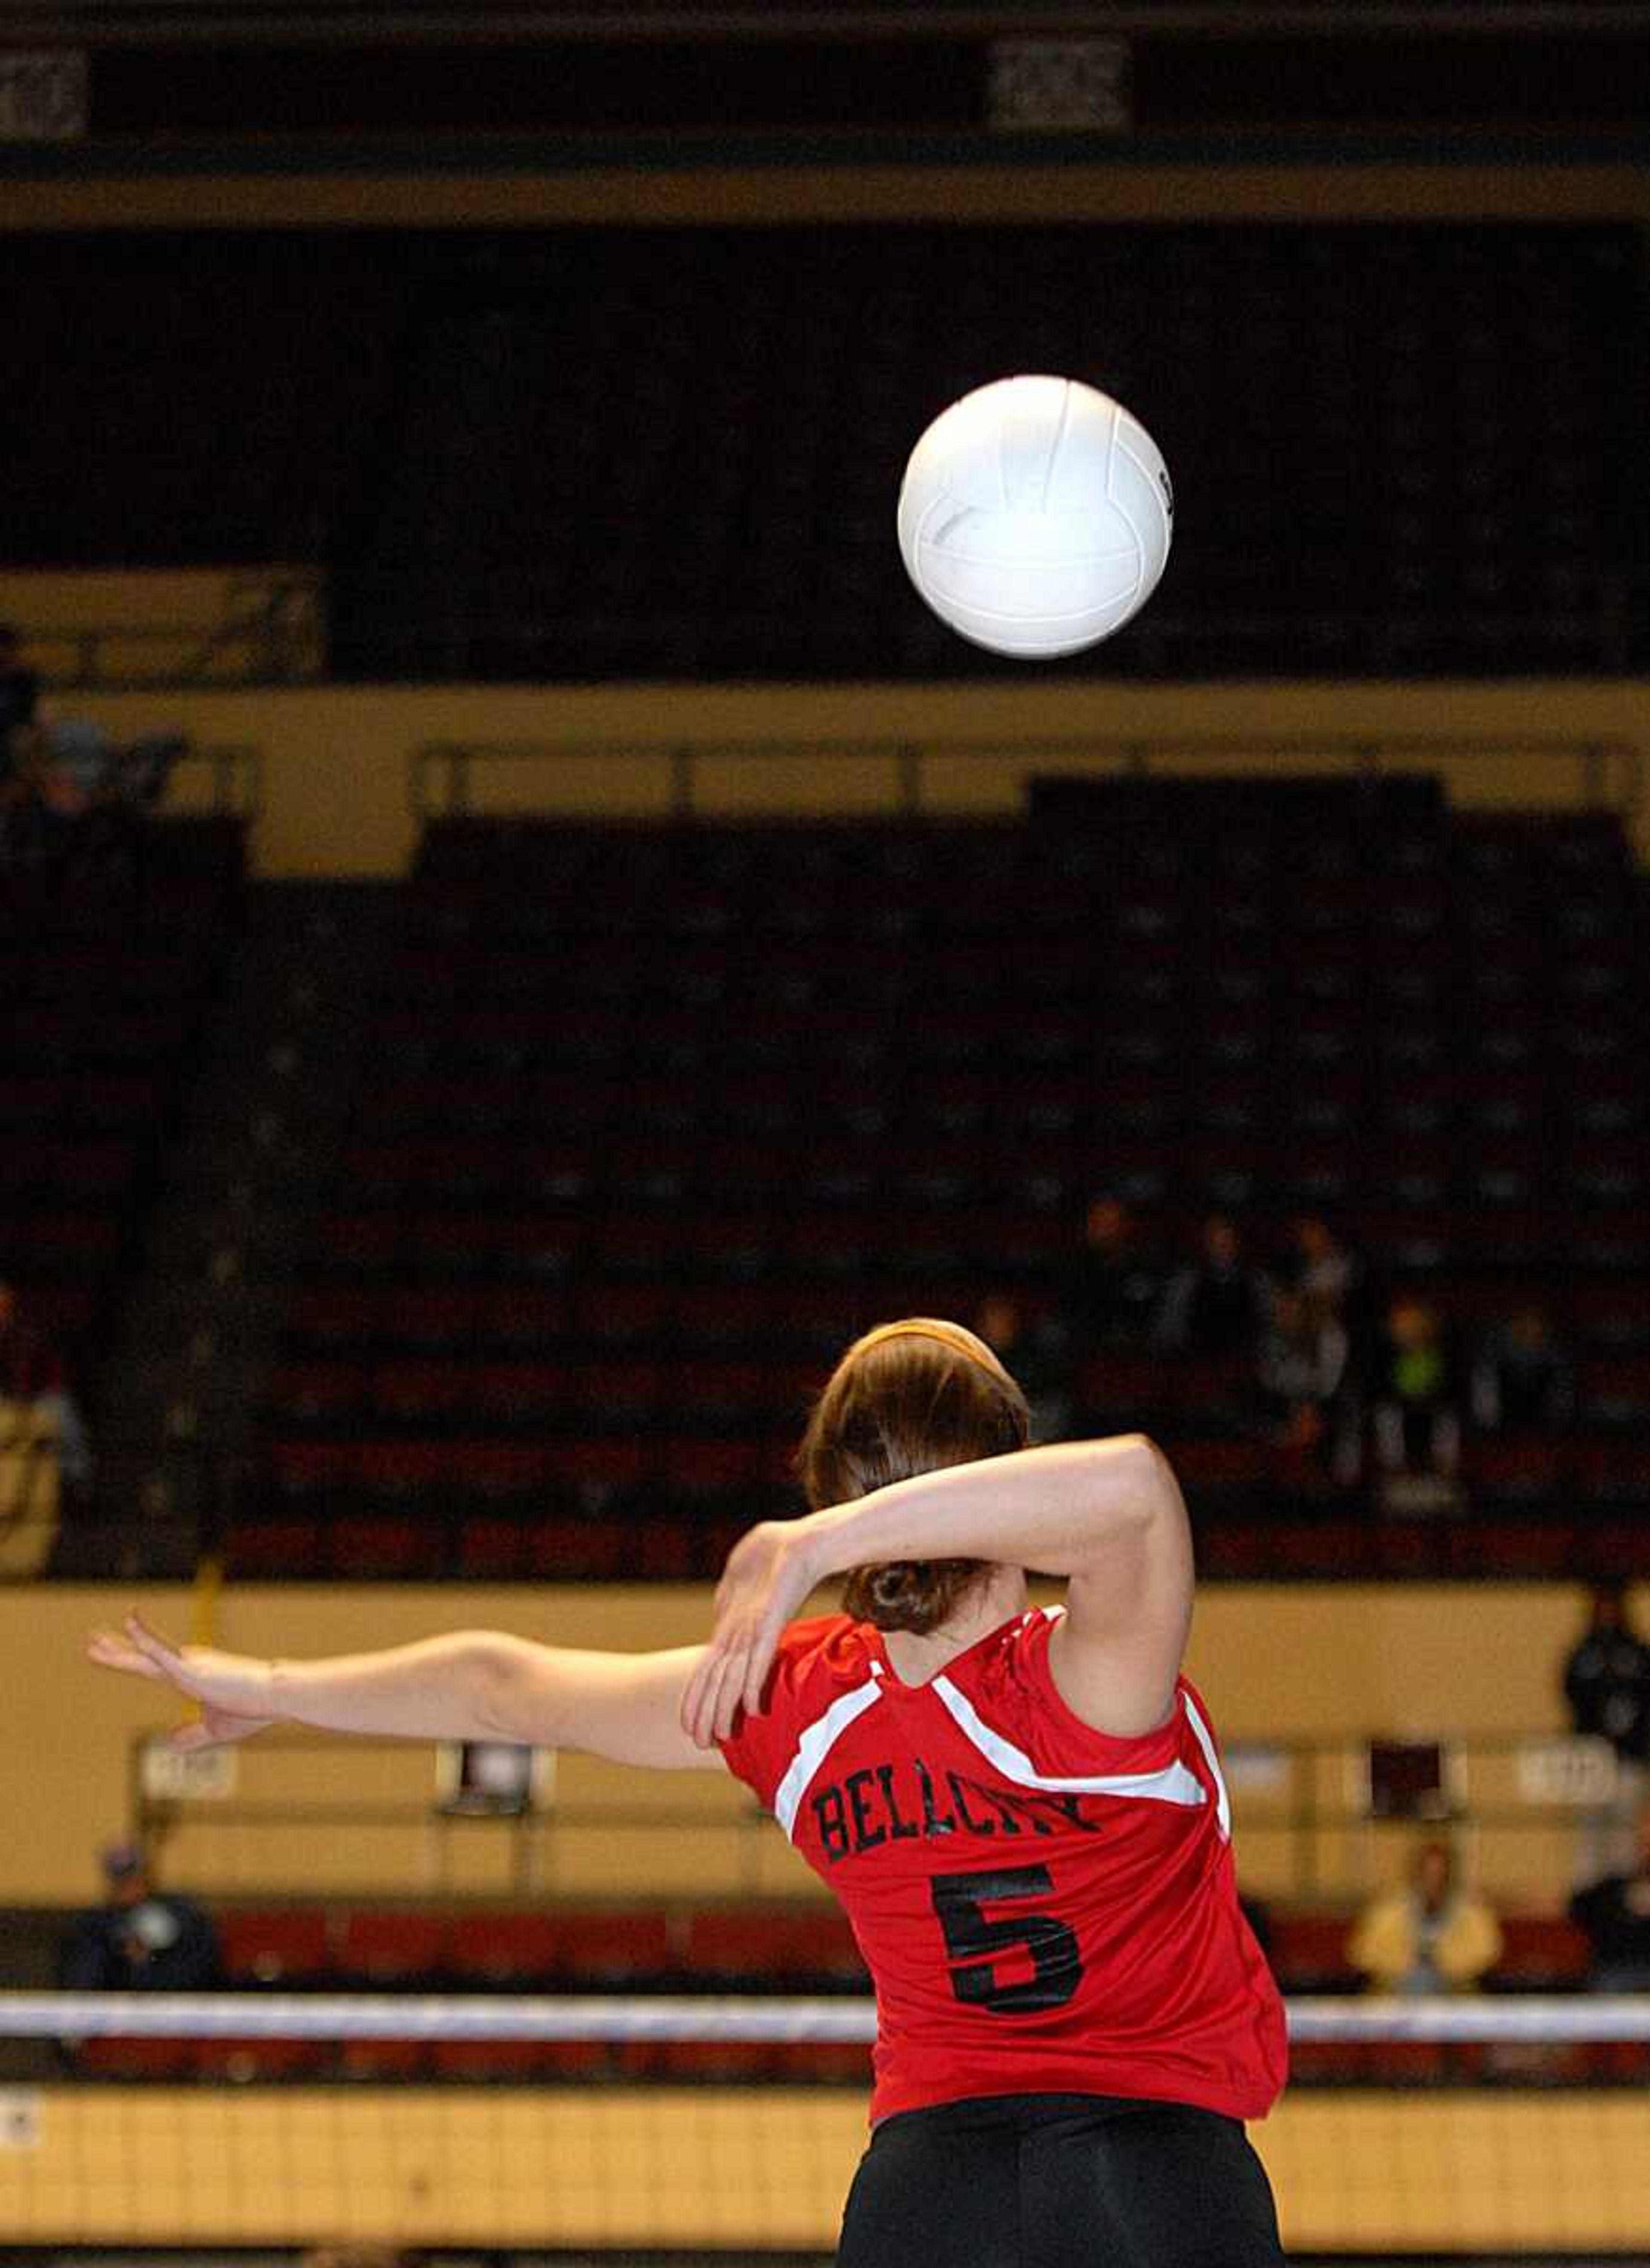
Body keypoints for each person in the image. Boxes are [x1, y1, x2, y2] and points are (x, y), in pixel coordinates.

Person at [89, 1317, 1289, 2268]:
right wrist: (813, 1548)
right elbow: (1134, 1485)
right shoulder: (1088, 1682)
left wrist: (273, 1683)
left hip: (932, 2189)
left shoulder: (795, 1704)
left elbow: (504, 1686)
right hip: (1150, 2164)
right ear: (1011, 1474)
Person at [1562, 1585, 1650, 1887]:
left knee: (1624, 1832)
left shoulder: (1637, 1651)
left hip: (1630, 1756)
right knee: (1591, 1830)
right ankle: (1588, 1893)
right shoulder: (1584, 1652)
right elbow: (1571, 1694)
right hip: (1592, 1758)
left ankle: (1621, 1891)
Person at [58, 1841, 222, 1993]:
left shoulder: (183, 1915)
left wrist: (149, 1962)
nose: (129, 1886)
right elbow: (83, 1982)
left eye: (134, 1877)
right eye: (120, 1881)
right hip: (115, 2015)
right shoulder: (95, 1924)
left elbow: (200, 1973)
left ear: (147, 1877)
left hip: (174, 2011)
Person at [1348, 1839, 1502, 1997]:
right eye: (1427, 1873)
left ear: (1450, 1875)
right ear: (1414, 1873)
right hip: (1394, 1998)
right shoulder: (1386, 1912)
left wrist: (1443, 1959)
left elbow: (1487, 1953)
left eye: (1440, 1874)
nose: (1433, 1881)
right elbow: (1364, 1954)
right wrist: (1406, 1962)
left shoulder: (1474, 1913)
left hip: (1456, 1996)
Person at [1569, 1803, 1650, 1992]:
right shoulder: (1611, 1889)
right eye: (1645, 1836)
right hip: (1615, 1973)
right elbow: (1578, 1908)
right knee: (1609, 1982)